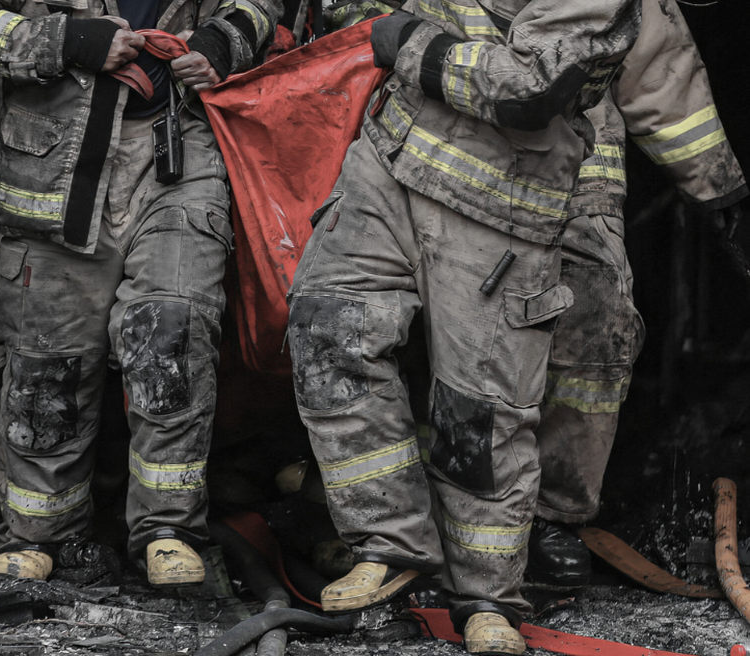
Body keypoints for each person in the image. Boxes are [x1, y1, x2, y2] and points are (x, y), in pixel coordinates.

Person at [285, 1, 641, 654]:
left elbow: (532, 87)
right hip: (389, 159)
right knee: (329, 328)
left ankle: (486, 597)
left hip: (501, 199)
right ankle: (390, 545)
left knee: (478, 413)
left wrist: (406, 39)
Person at [0, 0, 283, 584]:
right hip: (56, 166)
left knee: (171, 331)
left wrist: (224, 41)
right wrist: (72, 41)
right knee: (48, 360)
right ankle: (39, 533)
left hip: (179, 151)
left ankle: (168, 530)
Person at [528, 0, 747, 585]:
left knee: (598, 329)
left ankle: (552, 514)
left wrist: (718, 189)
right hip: (439, 164)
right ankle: (434, 525)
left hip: (575, 170)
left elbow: (655, 65)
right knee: (448, 344)